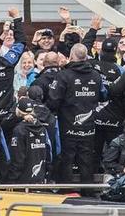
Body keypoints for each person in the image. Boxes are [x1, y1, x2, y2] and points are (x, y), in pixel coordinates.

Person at [47, 43, 108, 190]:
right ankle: (88, 191)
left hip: (67, 125)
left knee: (67, 158)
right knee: (87, 159)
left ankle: (67, 191)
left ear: (71, 56)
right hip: (89, 126)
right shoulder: (95, 75)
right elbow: (103, 95)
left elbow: (53, 100)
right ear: (86, 57)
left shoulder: (63, 75)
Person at [5, 97, 52, 184]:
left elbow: (18, 158)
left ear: (18, 111)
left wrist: (12, 179)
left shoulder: (19, 130)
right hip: (39, 179)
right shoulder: (42, 128)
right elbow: (48, 152)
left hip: (22, 181)